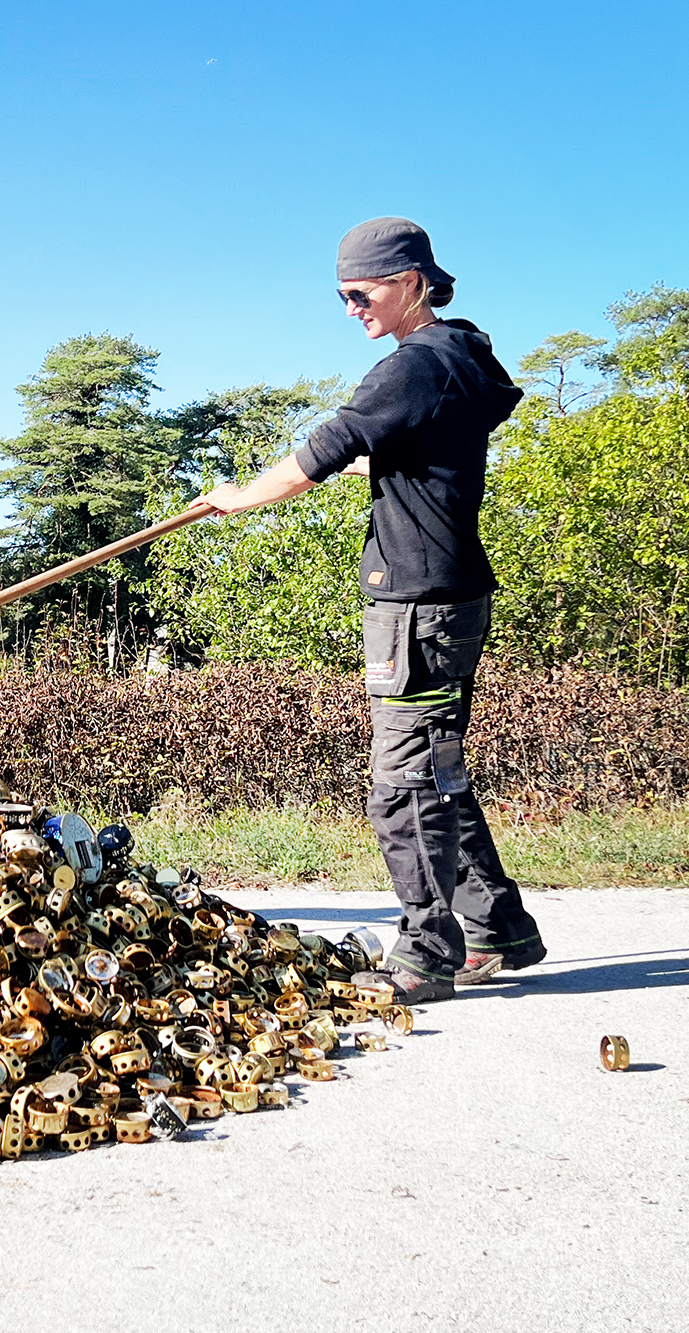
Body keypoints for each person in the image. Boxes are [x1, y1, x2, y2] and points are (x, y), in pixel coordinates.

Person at [192, 218, 545, 1003]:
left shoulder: (411, 368)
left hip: (417, 605)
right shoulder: (462, 357)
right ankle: (499, 927)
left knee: (403, 782)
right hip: (449, 593)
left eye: (363, 292)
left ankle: (425, 950)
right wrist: (373, 464)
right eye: (341, 296)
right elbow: (413, 452)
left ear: (414, 279)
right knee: (435, 766)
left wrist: (238, 498)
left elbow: (325, 449)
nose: (352, 307)